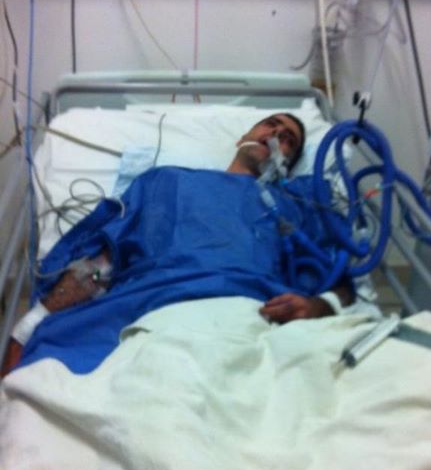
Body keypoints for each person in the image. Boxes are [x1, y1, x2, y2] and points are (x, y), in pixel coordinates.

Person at [1, 113, 353, 377]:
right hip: (152, 313)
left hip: (252, 319)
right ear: (242, 138)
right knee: (48, 373)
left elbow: (338, 278)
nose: (276, 135)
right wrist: (31, 324)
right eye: (270, 125)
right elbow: (101, 265)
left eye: (288, 139)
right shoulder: (166, 181)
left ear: (286, 163)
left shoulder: (296, 204)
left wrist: (317, 306)